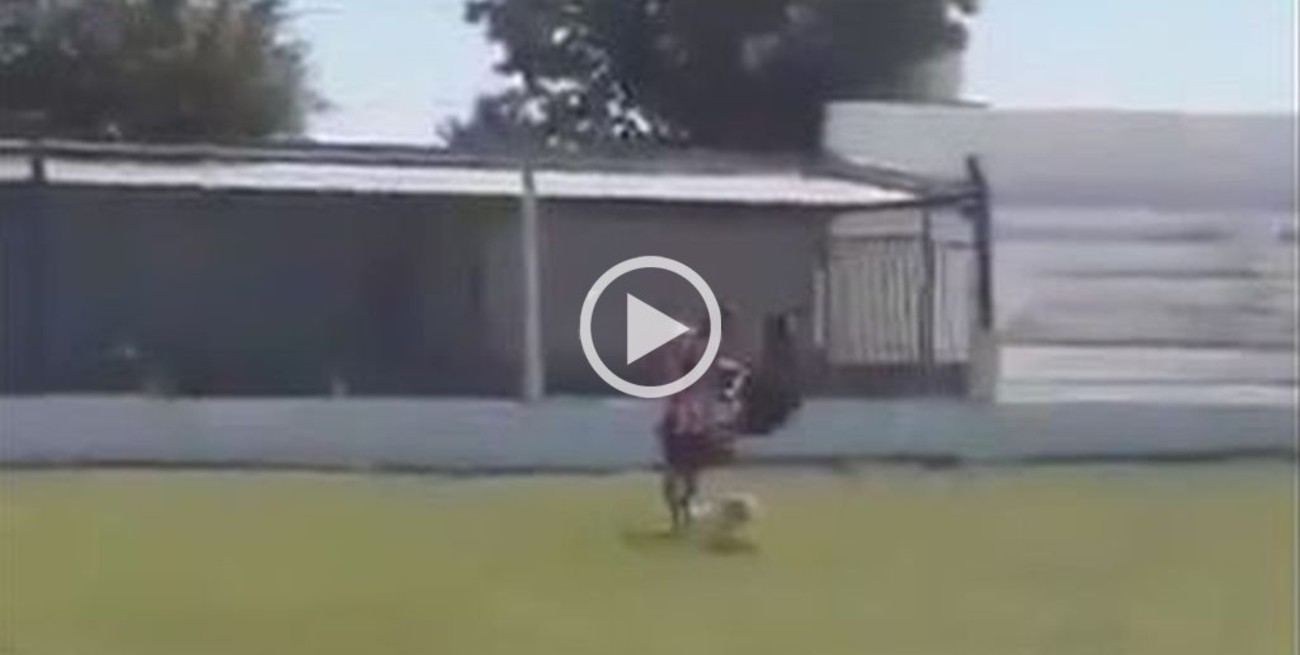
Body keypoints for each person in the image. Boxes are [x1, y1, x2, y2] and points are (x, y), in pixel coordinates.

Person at [656, 306, 746, 532]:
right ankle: (677, 517)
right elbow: (677, 367)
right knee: (675, 470)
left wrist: (733, 377)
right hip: (681, 418)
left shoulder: (709, 348)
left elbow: (715, 374)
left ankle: (684, 513)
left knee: (691, 473)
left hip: (698, 419)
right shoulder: (690, 343)